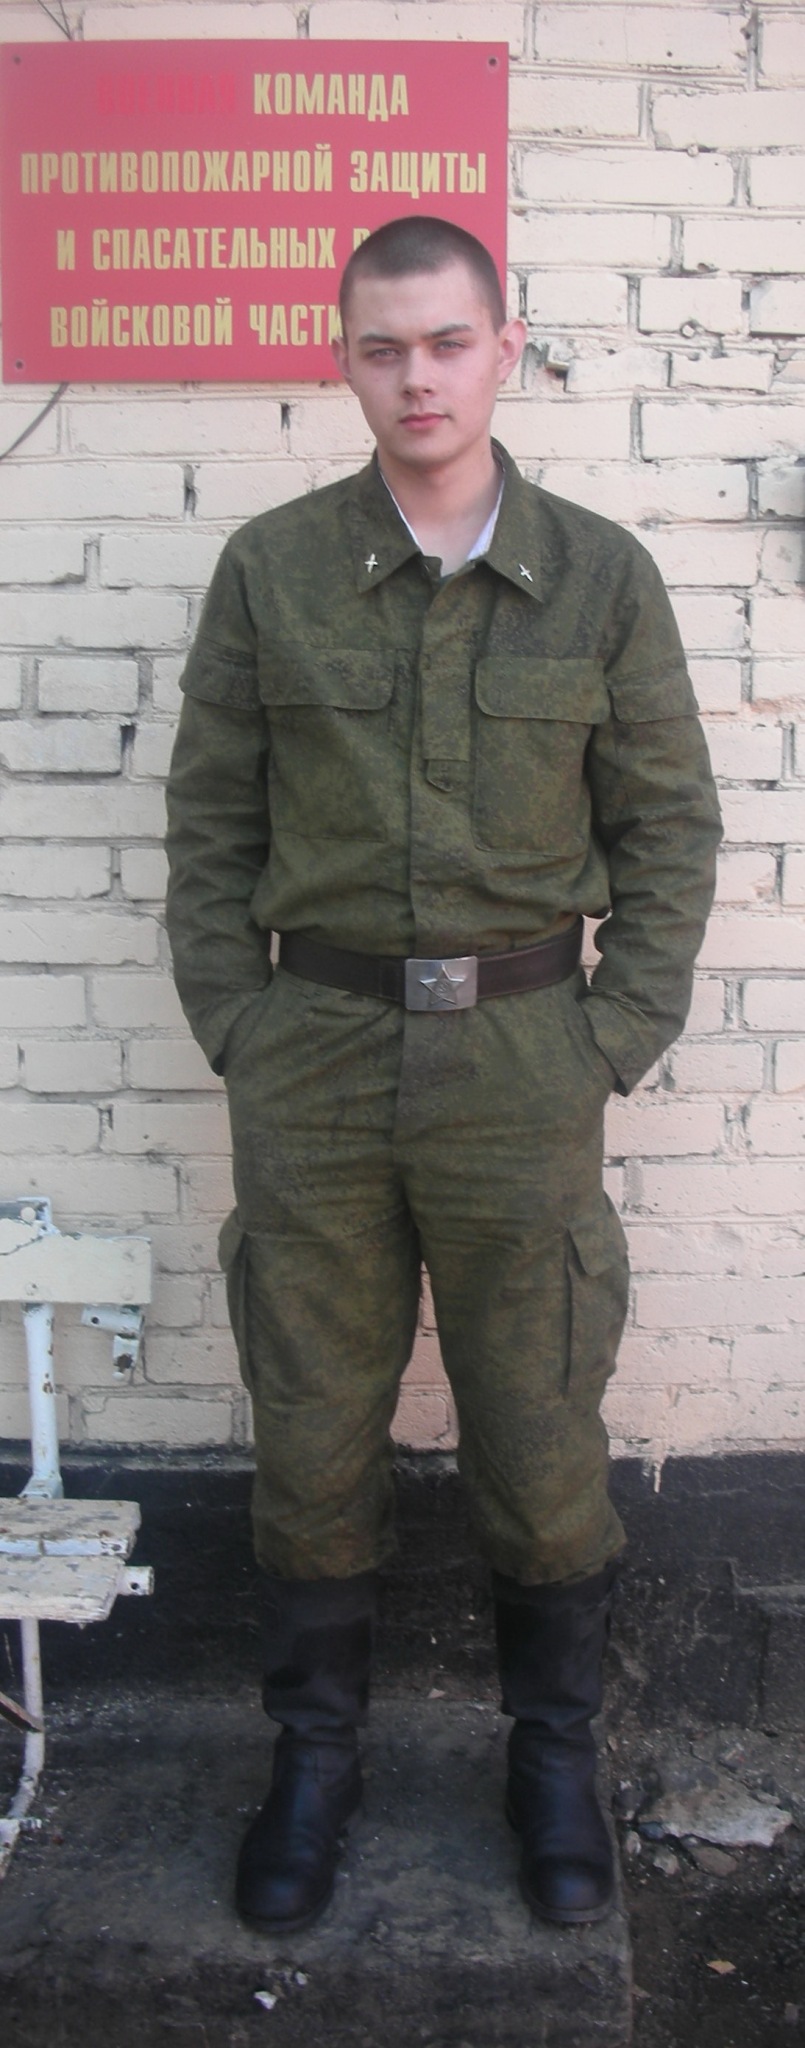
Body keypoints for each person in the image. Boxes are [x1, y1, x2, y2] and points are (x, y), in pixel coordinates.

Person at [165, 215, 722, 1935]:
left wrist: (606, 1037)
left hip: (521, 1065)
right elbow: (208, 829)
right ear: (342, 361)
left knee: (538, 1423)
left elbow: (668, 830)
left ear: (505, 348)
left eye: (447, 342)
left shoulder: (599, 577)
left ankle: (549, 1758)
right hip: (314, 1061)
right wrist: (242, 1029)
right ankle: (312, 1762)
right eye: (381, 347)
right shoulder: (271, 568)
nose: (416, 376)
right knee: (311, 1425)